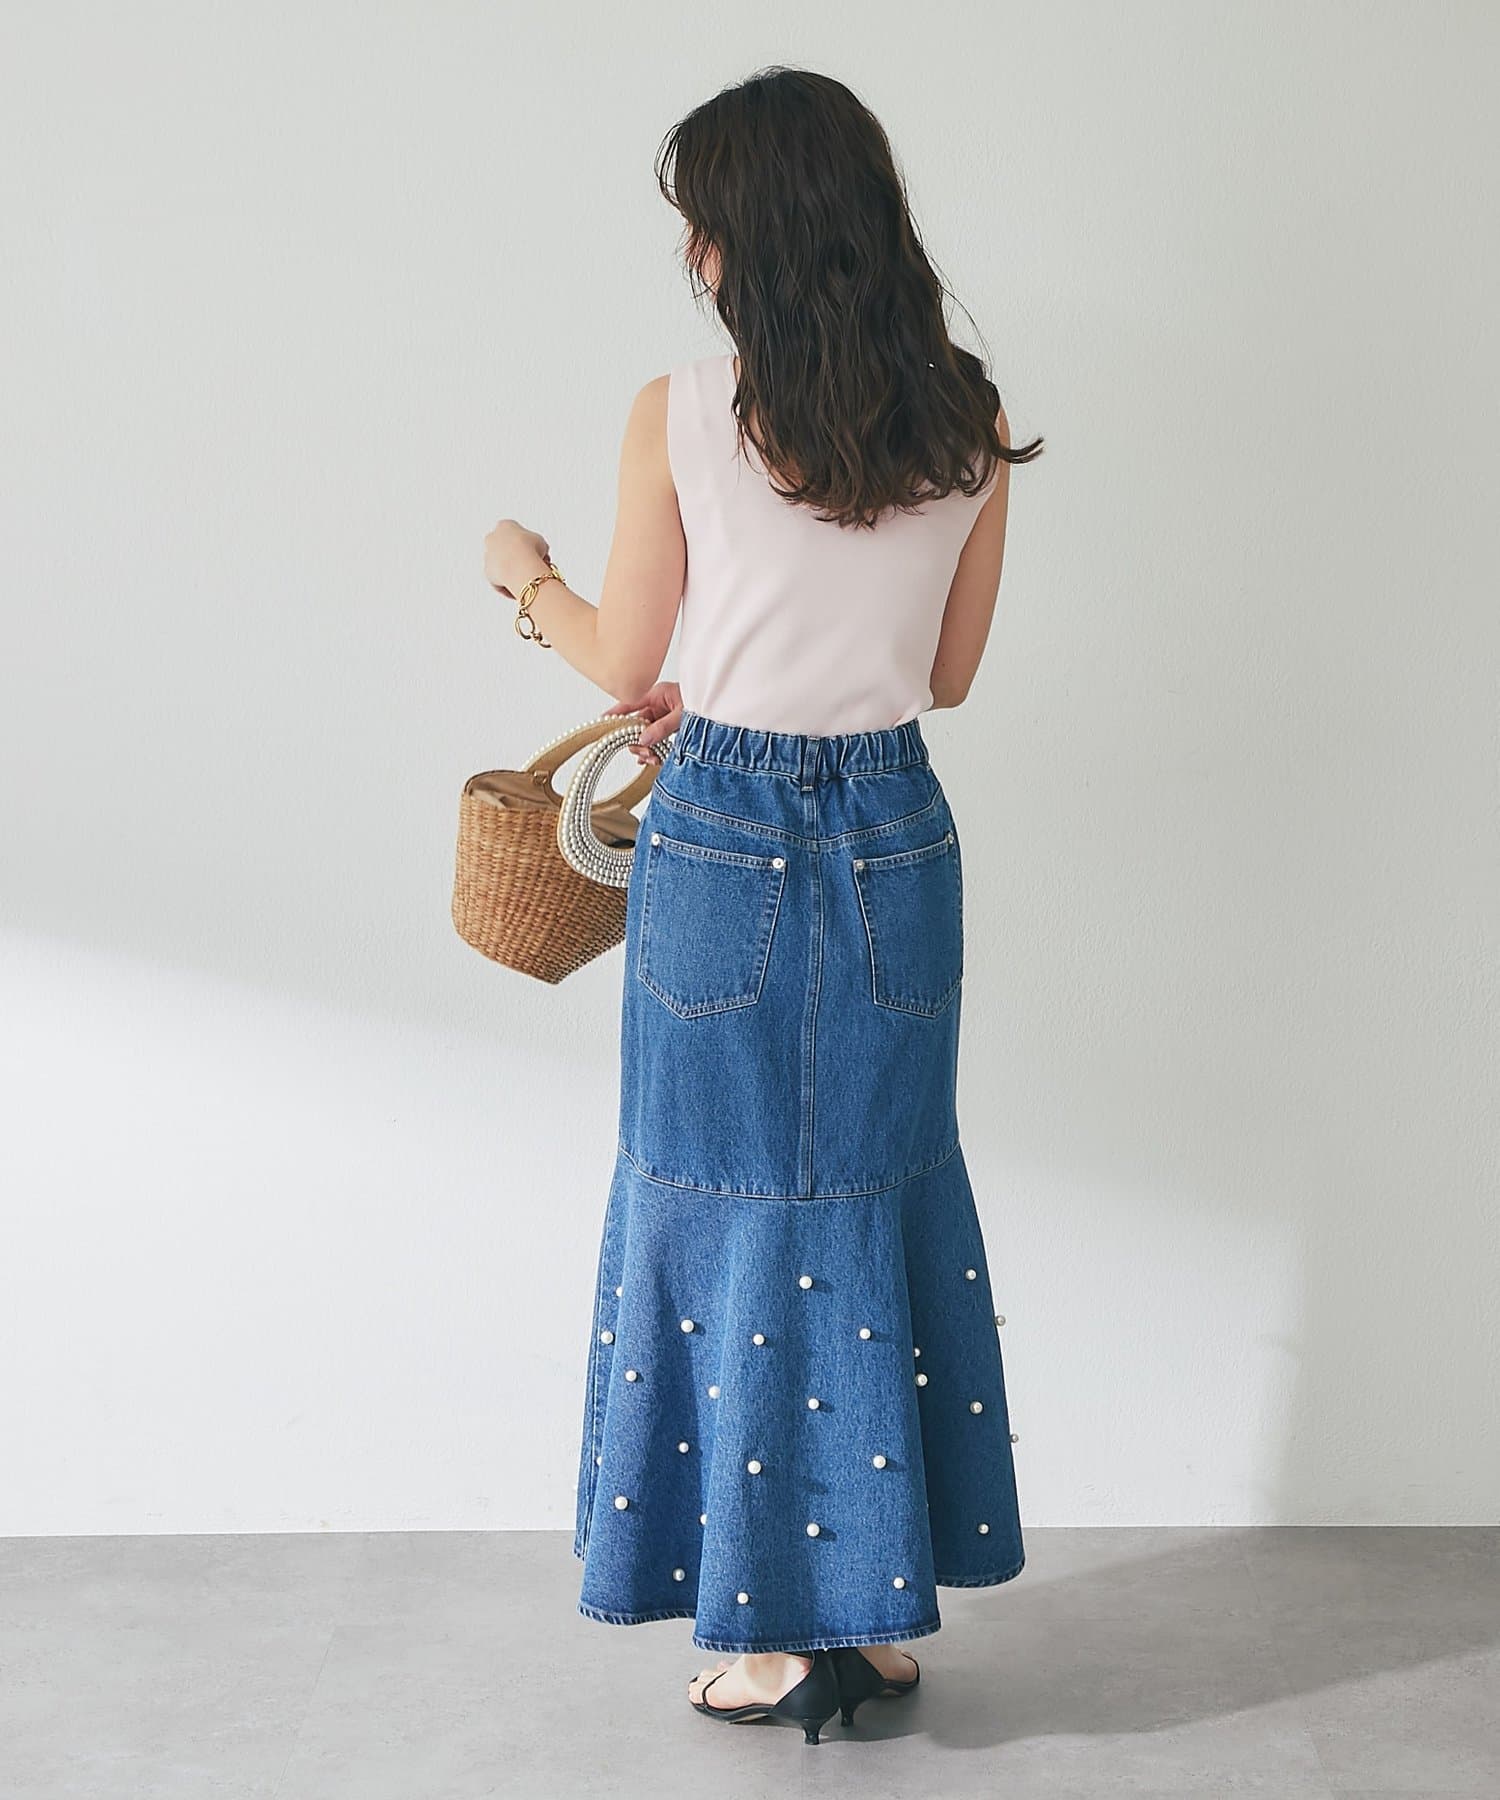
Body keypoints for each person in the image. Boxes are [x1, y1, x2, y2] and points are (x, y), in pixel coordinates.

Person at [483, 65, 1041, 1746]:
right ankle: (865, 1620)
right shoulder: (965, 416)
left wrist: (520, 572)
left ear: (752, 234)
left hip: (725, 830)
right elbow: (944, 672)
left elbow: (621, 656)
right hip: (894, 834)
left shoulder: (682, 409)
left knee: (723, 1204)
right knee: (867, 1194)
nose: (693, 254)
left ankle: (776, 1638)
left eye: (703, 224)